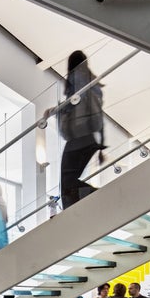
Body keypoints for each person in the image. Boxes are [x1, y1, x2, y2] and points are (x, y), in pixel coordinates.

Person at [58, 51, 105, 210]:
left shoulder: (78, 75)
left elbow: (78, 100)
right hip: (90, 138)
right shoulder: (93, 81)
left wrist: (59, 109)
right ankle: (81, 208)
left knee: (66, 182)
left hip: (79, 136)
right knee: (69, 181)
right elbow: (97, 111)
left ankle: (97, 198)